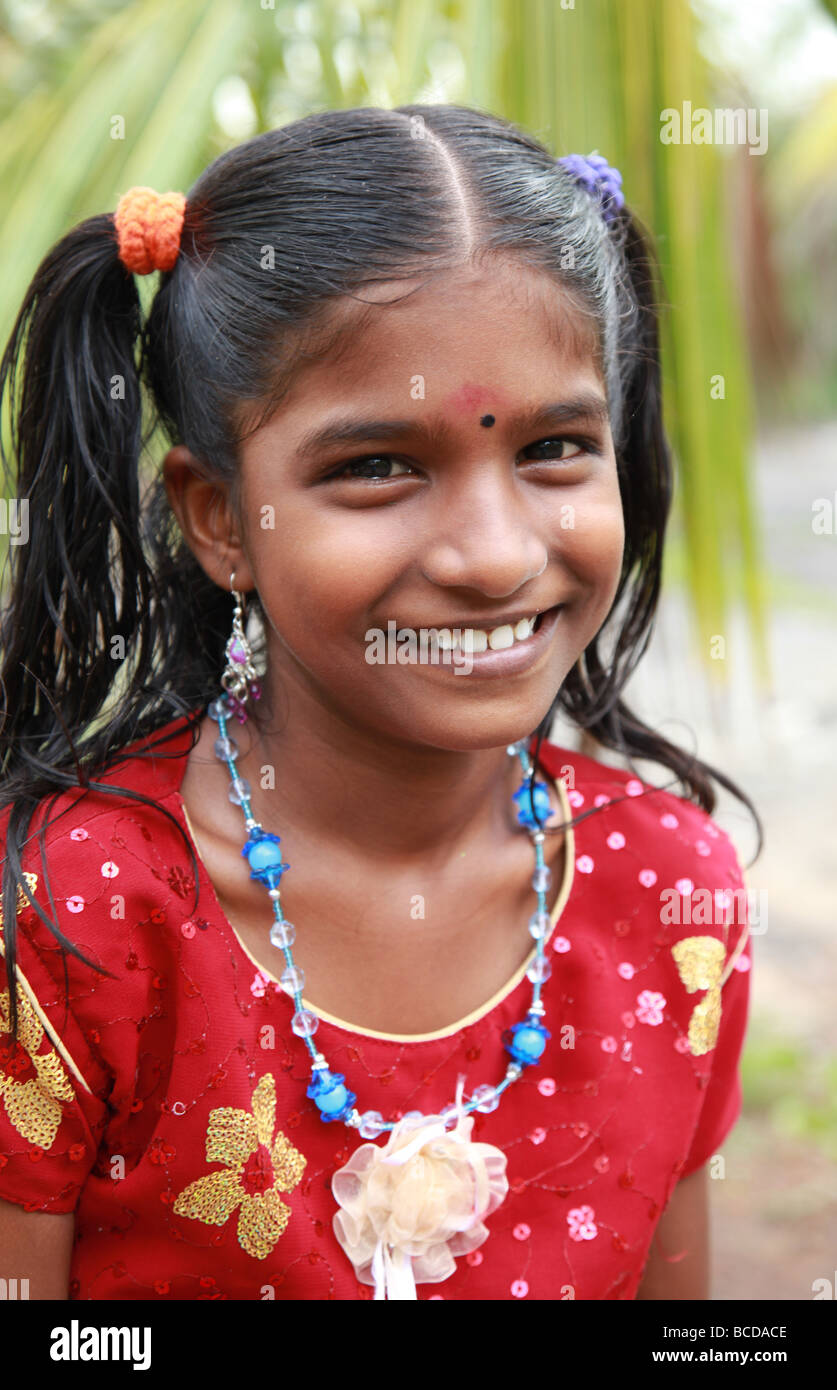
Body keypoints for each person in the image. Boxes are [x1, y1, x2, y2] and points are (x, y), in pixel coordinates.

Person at [0, 104, 759, 1301]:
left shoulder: (670, 902)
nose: (494, 555)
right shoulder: (81, 910)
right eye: (378, 466)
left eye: (556, 447)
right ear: (216, 518)